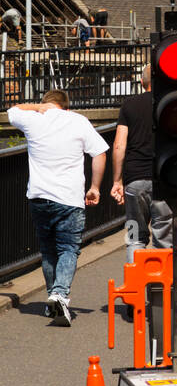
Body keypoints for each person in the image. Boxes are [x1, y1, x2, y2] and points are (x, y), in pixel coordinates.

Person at [7, 89, 108, 325]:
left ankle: (55, 301)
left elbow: (12, 110)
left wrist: (36, 108)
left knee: (49, 250)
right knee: (68, 248)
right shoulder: (78, 121)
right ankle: (59, 295)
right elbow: (100, 152)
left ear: (45, 103)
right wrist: (95, 187)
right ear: (67, 106)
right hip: (69, 198)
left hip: (39, 197)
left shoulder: (33, 119)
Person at [111, 65, 172, 251]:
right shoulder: (170, 104)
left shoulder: (129, 104)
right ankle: (164, 279)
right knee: (164, 237)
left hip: (135, 180)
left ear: (141, 82)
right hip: (164, 179)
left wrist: (117, 181)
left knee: (134, 236)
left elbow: (119, 145)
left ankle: (136, 278)